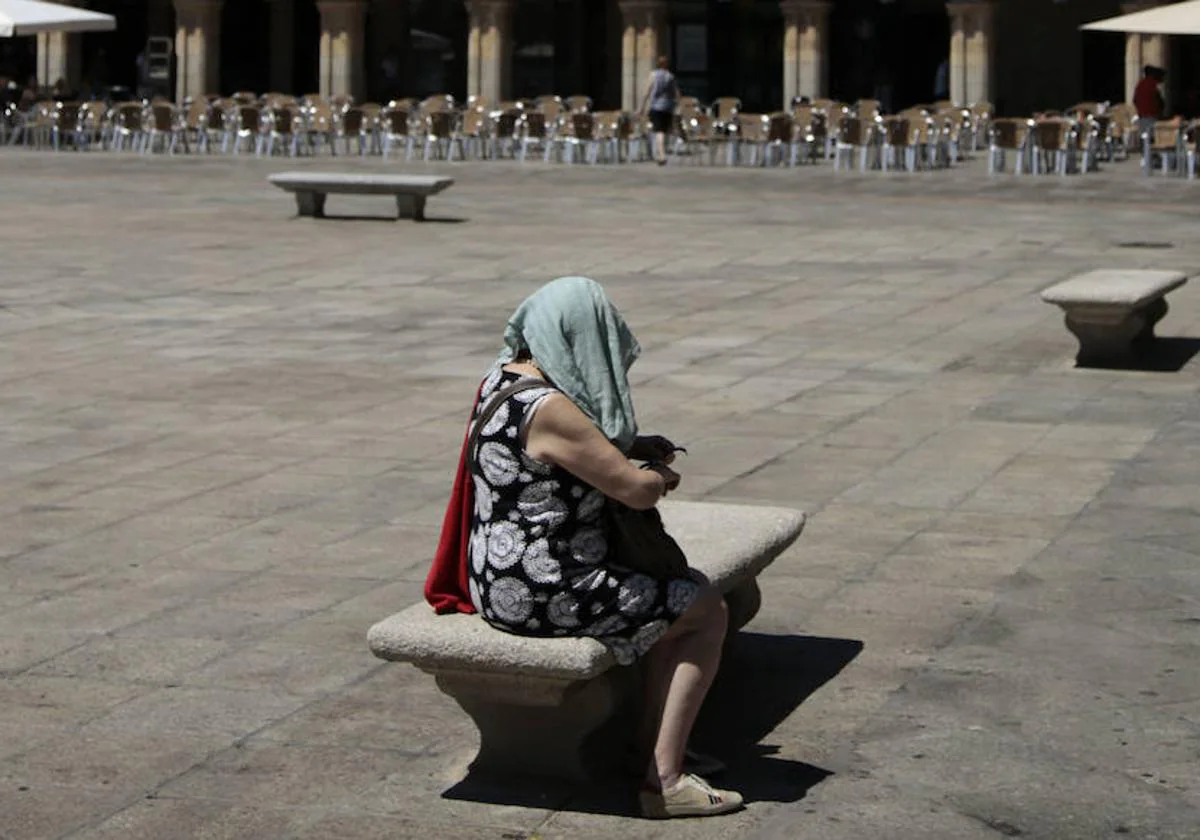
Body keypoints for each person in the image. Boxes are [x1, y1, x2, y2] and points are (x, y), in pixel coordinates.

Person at [425, 276, 742, 819]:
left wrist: (627, 446)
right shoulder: (551, 407)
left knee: (674, 602)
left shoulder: (503, 377)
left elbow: (564, 451)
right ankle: (664, 781)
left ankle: (647, 745)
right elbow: (636, 492)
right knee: (706, 609)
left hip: (496, 573)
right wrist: (658, 474)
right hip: (545, 590)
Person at [640, 56, 679, 166]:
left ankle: (661, 154)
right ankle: (662, 151)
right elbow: (675, 93)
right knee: (664, 130)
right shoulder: (670, 76)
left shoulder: (653, 75)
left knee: (659, 131)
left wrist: (642, 107)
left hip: (656, 107)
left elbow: (647, 92)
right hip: (668, 107)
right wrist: (676, 105)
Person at [1134, 64, 1166, 147]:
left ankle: (1146, 156)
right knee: (1152, 139)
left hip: (1142, 115)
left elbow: (1135, 100)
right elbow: (1158, 100)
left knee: (1144, 137)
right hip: (1151, 115)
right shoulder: (1153, 84)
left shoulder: (1140, 84)